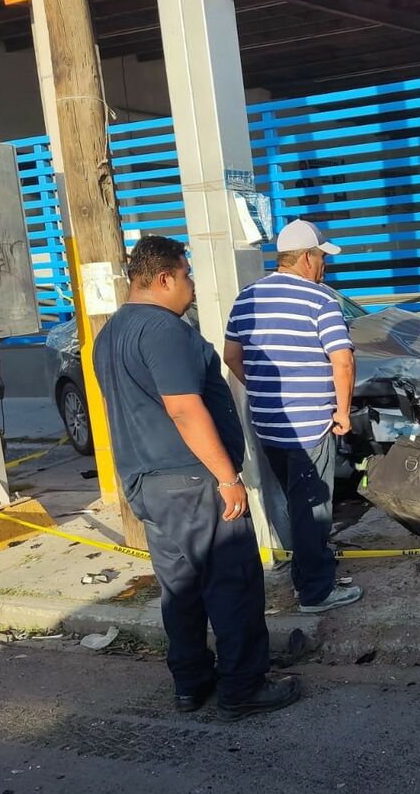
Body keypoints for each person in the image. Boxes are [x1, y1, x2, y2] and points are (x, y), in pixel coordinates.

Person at [93, 235, 300, 721]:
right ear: (164, 278)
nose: (192, 285)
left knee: (181, 589)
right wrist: (228, 478)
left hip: (147, 483)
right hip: (192, 481)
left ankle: (191, 681)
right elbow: (184, 409)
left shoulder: (110, 333)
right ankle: (244, 686)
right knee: (232, 582)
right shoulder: (164, 330)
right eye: (187, 275)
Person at [223, 220, 364, 614]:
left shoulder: (247, 297)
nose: (325, 266)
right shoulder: (320, 300)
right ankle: (316, 592)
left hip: (268, 424)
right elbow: (342, 361)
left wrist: (263, 389)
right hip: (311, 425)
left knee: (294, 502)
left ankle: (309, 572)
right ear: (306, 259)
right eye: (321, 257)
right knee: (313, 510)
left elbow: (231, 356)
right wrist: (342, 412)